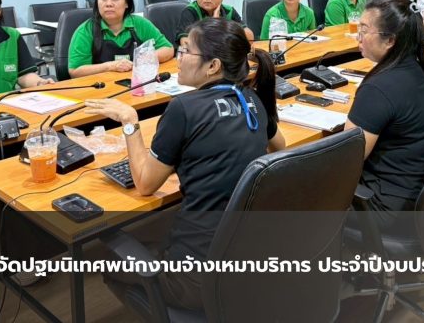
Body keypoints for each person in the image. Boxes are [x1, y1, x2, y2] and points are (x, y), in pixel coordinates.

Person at [85, 18, 285, 310]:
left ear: (213, 66)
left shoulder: (183, 108)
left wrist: (129, 121)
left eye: (186, 50)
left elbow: (145, 184)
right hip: (249, 265)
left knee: (107, 260)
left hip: (197, 280)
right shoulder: (250, 98)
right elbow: (279, 147)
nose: (178, 58)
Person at [344, 0, 424, 223]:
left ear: (390, 40)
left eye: (364, 30)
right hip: (420, 193)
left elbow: (347, 159)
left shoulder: (379, 88)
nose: (358, 36)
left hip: (384, 205)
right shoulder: (420, 70)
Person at [68, 0, 174, 78]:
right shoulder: (85, 30)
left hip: (135, 81)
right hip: (101, 86)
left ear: (127, 3)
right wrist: (110, 66)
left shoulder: (140, 24)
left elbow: (168, 49)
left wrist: (145, 58)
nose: (109, 4)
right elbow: (75, 71)